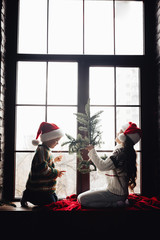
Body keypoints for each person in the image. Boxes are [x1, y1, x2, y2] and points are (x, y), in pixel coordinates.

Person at [77, 122, 142, 208]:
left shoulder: (120, 153)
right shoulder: (122, 151)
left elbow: (103, 166)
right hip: (114, 190)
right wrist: (94, 159)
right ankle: (120, 202)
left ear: (123, 137)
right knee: (81, 197)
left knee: (82, 199)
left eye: (120, 132)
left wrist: (92, 150)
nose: (117, 133)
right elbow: (108, 165)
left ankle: (116, 204)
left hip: (116, 193)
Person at [21, 122, 65, 207]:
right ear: (48, 139)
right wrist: (56, 172)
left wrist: (54, 160)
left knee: (54, 199)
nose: (57, 143)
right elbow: (43, 169)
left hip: (46, 187)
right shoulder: (42, 151)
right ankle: (28, 195)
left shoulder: (45, 150)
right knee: (50, 202)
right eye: (56, 140)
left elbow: (45, 163)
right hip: (40, 188)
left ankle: (28, 194)